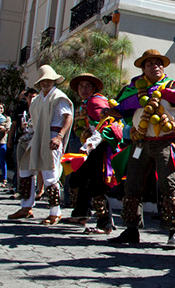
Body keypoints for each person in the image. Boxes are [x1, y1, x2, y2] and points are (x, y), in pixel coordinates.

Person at [103, 49, 175, 245]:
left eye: (158, 63)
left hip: (164, 143)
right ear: (143, 68)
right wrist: (107, 111)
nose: (155, 66)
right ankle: (131, 229)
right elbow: (122, 110)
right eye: (150, 63)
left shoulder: (173, 87)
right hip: (140, 143)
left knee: (169, 185)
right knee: (132, 185)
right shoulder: (134, 88)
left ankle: (173, 231)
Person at [9, 65, 73, 225]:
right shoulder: (37, 100)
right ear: (40, 83)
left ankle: (55, 212)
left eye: (49, 80)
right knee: (25, 170)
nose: (46, 83)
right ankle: (26, 207)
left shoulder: (59, 97)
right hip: (37, 138)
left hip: (52, 136)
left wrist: (59, 137)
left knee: (49, 175)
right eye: (44, 80)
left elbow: (68, 117)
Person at [62, 73, 120, 235]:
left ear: (94, 88)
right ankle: (81, 214)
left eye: (88, 86)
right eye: (81, 86)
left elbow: (105, 125)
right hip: (93, 147)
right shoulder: (86, 103)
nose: (84, 89)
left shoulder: (95, 102)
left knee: (97, 185)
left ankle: (105, 224)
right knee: (78, 178)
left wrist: (89, 145)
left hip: (99, 148)